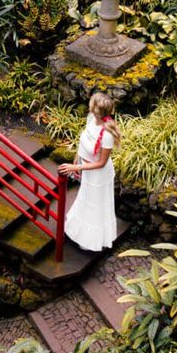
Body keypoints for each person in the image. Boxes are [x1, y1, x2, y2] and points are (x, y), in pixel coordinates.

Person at [58, 92, 121, 251]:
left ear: (96, 110)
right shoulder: (91, 119)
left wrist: (75, 168)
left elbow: (101, 163)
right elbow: (83, 140)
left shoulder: (107, 135)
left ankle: (91, 240)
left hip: (98, 176)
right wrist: (77, 159)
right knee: (84, 199)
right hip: (86, 169)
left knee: (95, 205)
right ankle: (79, 231)